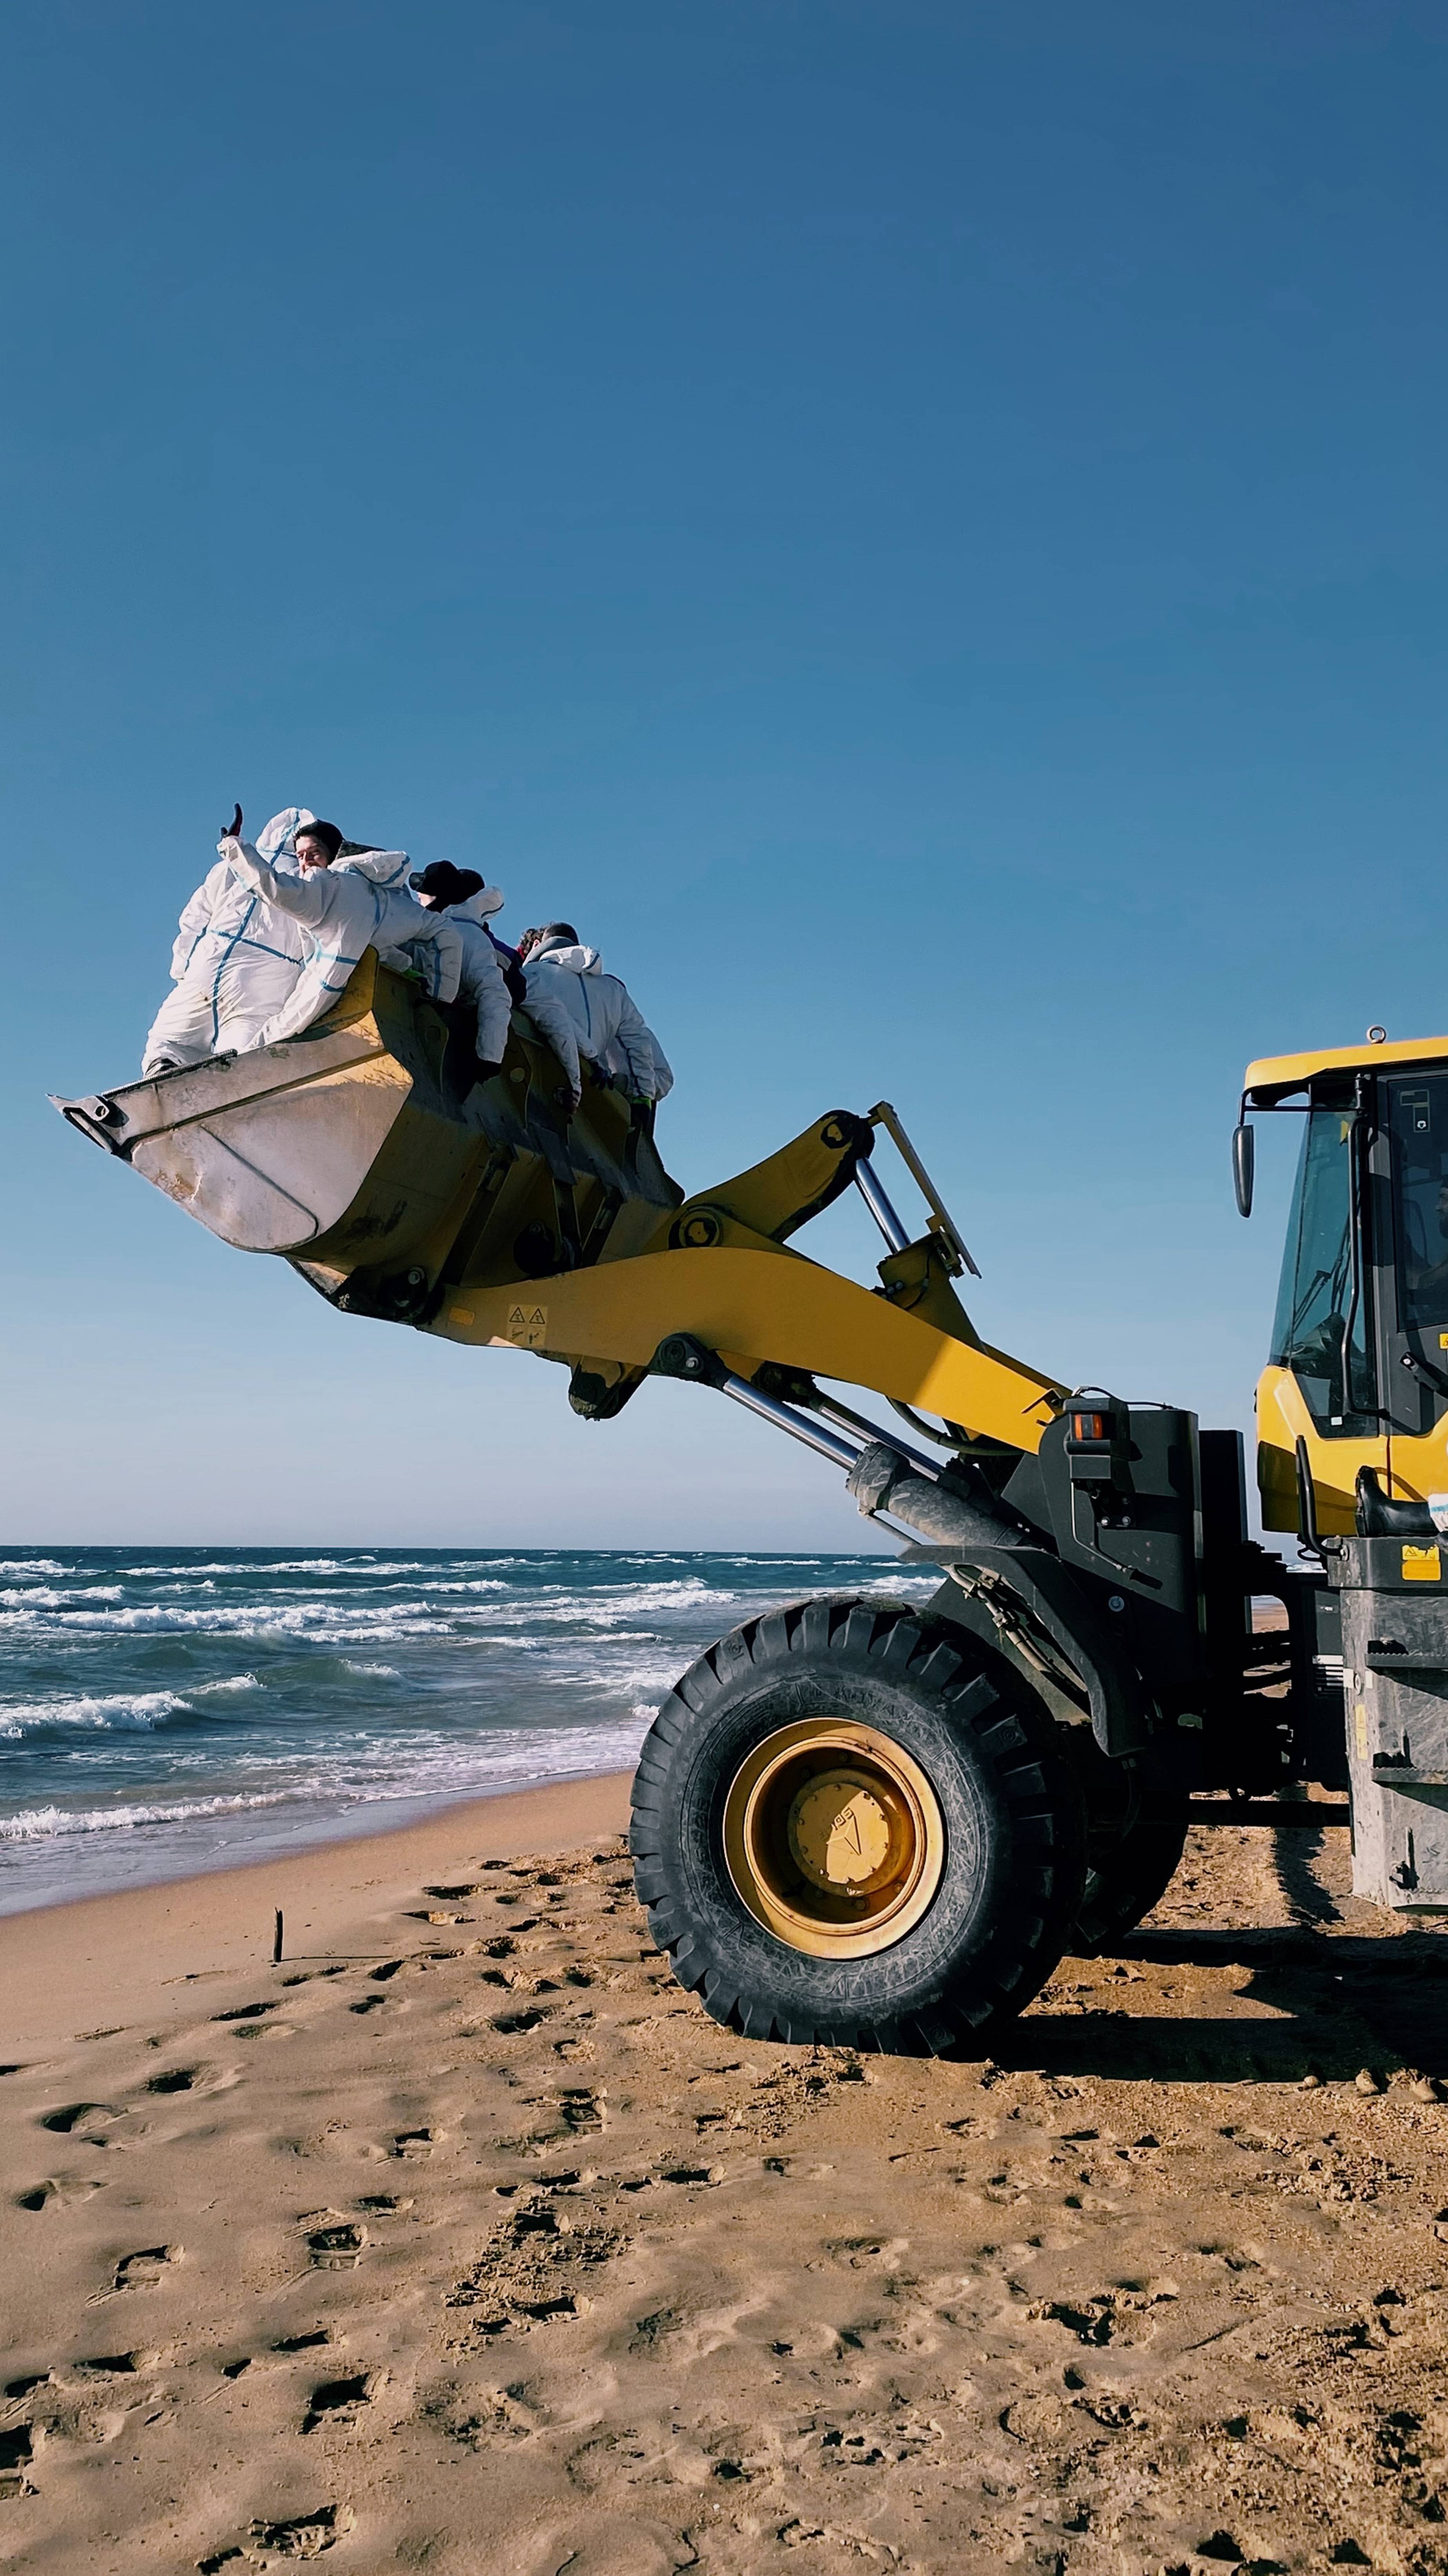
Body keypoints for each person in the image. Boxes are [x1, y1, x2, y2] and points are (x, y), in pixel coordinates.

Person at [220, 818, 464, 1044]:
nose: (306, 863)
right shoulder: (384, 899)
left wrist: (234, 847)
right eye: (300, 856)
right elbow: (443, 931)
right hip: (383, 995)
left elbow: (273, 886)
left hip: (333, 988)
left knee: (272, 1037)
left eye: (314, 854)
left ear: (334, 853)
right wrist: (441, 997)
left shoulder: (325, 888)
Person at [142, 805, 316, 1074]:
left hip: (207, 970)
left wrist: (184, 968)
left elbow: (194, 919)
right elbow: (317, 946)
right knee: (243, 1052)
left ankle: (161, 1076)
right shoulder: (309, 885)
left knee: (170, 1041)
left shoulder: (231, 867)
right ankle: (236, 1087)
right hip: (264, 987)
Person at [517, 922, 672, 1113]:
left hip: (534, 1087)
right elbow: (638, 1041)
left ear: (539, 945)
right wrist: (642, 1097)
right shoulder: (613, 990)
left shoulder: (528, 976)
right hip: (591, 1097)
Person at [409, 862, 516, 1082]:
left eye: (424, 888)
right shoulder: (473, 935)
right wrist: (489, 1058)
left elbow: (495, 994)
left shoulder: (414, 925)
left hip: (414, 1031)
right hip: (430, 1042)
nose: (419, 893)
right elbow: (499, 996)